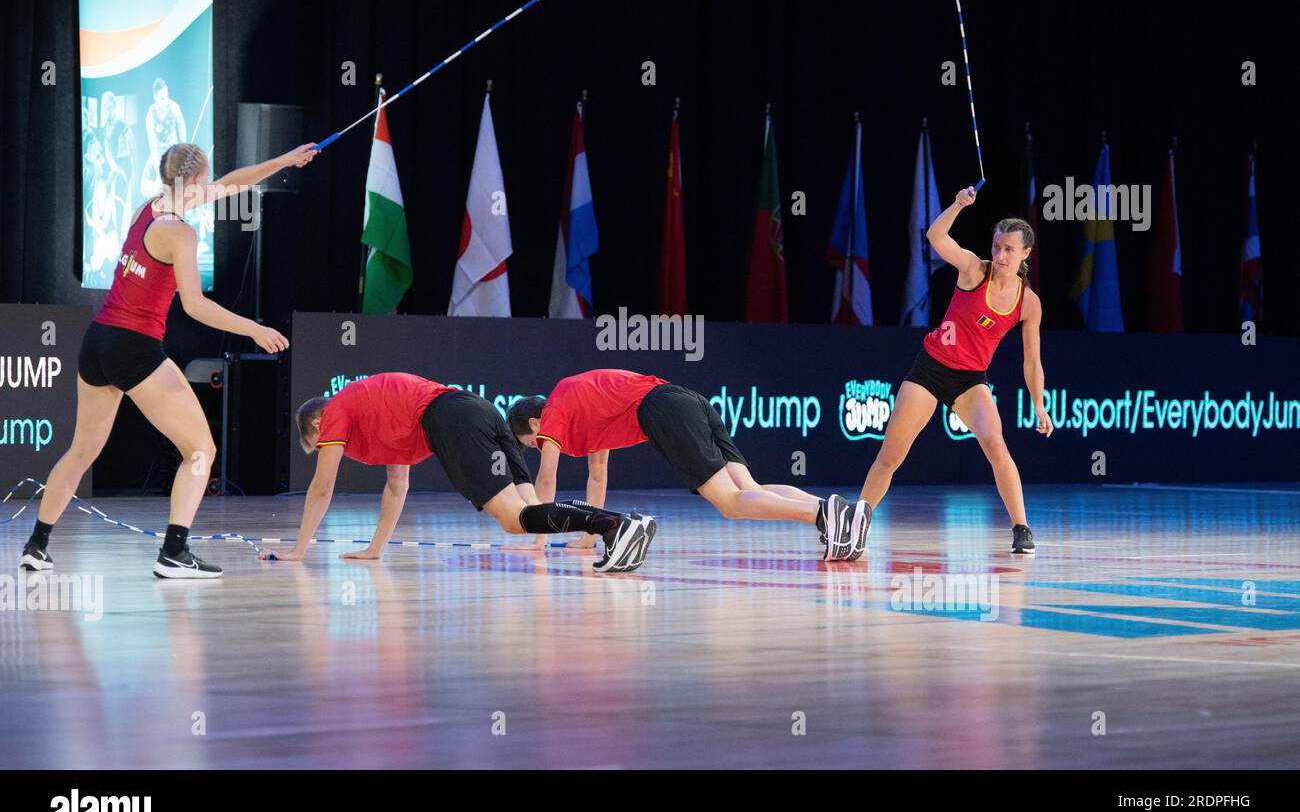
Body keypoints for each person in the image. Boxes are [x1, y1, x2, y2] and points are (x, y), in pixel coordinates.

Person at [20, 140, 317, 579]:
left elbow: (232, 185)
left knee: (80, 452)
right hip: (134, 348)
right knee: (201, 449)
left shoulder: (150, 205)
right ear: (194, 181)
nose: (211, 185)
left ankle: (37, 544)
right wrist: (254, 328)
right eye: (207, 178)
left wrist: (284, 161)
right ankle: (174, 552)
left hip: (98, 341)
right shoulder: (181, 232)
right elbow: (195, 307)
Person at [283, 372, 655, 573]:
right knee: (526, 502)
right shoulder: (371, 412)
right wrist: (374, 549)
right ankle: (623, 524)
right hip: (479, 409)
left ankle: (613, 526)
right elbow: (397, 486)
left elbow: (321, 486)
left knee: (514, 519)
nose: (331, 449)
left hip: (451, 420)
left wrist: (298, 550)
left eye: (320, 443)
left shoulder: (334, 413)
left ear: (317, 422)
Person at [855, 186, 1053, 554]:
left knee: (997, 446)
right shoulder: (974, 269)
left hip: (970, 380)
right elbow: (935, 237)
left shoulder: (1029, 303)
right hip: (931, 369)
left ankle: (1022, 529)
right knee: (892, 455)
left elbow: (1031, 361)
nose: (1001, 254)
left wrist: (1039, 404)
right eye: (997, 246)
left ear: (1026, 252)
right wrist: (959, 205)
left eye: (1009, 249)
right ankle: (857, 522)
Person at [507, 369, 863, 560]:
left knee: (730, 503)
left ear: (535, 426)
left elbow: (547, 479)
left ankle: (822, 515)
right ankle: (839, 512)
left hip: (662, 410)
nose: (540, 447)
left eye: (533, 443)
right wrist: (588, 539)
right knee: (748, 489)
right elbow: (597, 476)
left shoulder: (553, 410)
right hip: (687, 399)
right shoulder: (581, 411)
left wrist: (537, 540)